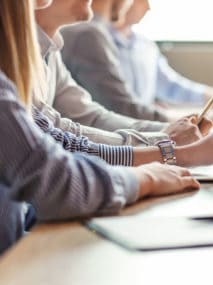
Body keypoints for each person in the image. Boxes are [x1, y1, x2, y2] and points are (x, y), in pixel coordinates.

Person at [0, 0, 200, 254]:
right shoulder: (86, 35)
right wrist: (155, 164)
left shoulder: (49, 51)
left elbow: (61, 137)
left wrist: (166, 144)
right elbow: (57, 176)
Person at [34, 0, 213, 148]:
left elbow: (91, 117)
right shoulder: (86, 34)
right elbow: (58, 133)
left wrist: (170, 130)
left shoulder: (53, 48)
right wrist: (162, 140)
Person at [111, 0, 213, 112]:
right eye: (142, 0)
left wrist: (210, 97)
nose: (148, 8)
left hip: (143, 126)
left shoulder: (146, 46)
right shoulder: (99, 40)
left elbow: (170, 86)